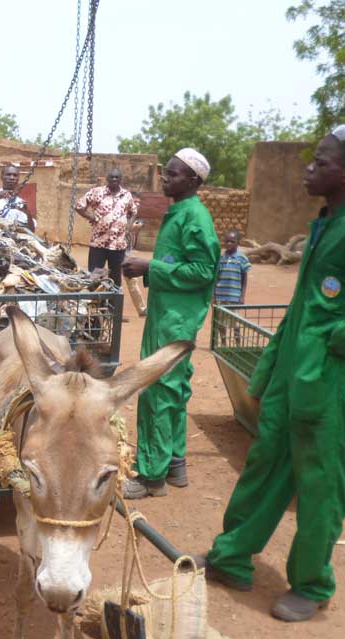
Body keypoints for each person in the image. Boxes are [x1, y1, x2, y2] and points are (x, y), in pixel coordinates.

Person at [197, 127, 345, 622]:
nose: (309, 168)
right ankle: (232, 557)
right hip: (294, 374)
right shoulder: (326, 224)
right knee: (266, 463)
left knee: (320, 480)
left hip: (329, 379)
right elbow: (303, 310)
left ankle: (311, 583)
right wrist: (271, 370)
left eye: (321, 162)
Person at [121, 148, 220, 498]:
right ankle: (175, 462)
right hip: (170, 313)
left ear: (193, 180)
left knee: (158, 391)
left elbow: (203, 271)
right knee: (175, 388)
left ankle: (151, 475)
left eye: (174, 173)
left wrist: (150, 268)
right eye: (166, 171)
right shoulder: (179, 212)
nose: (165, 177)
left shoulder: (195, 216)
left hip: (176, 318)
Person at [74, 169, 140, 285]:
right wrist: (91, 217)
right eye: (111, 177)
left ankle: (113, 303)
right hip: (98, 243)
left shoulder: (127, 195)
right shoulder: (96, 192)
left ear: (121, 179)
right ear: (107, 179)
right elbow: (79, 206)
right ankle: (95, 302)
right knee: (94, 276)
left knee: (115, 278)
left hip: (118, 245)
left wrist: (129, 225)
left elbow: (134, 211)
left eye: (116, 177)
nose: (114, 179)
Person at [213, 229, 252, 344]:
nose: (229, 244)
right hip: (221, 296)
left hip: (234, 296)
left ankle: (238, 344)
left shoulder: (242, 258)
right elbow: (216, 278)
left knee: (235, 322)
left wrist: (242, 296)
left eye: (232, 241)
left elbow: (244, 279)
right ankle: (224, 343)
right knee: (220, 322)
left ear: (237, 242)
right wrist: (214, 295)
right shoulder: (221, 258)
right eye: (227, 241)